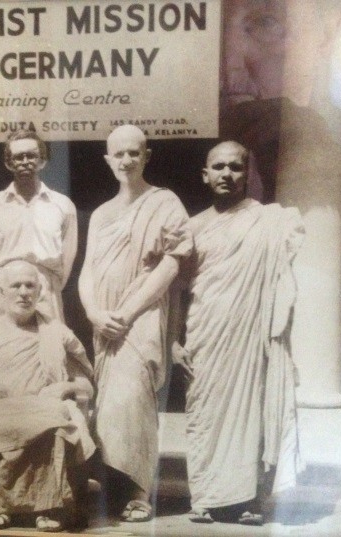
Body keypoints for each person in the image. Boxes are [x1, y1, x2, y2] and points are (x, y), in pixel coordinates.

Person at [221, 0, 341, 417]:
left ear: (330, 31)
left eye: (266, 23)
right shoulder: (117, 171)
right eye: (198, 32)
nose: (228, 66)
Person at [174, 141, 305, 525]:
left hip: (250, 337)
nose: (226, 174)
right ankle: (206, 497)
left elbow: (283, 282)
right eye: (218, 167)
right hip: (205, 336)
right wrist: (173, 341)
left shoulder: (271, 221)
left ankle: (248, 498)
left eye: (235, 167)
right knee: (204, 414)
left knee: (250, 411)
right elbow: (176, 292)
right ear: (205, 174)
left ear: (248, 174)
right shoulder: (193, 227)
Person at [78, 125, 192, 522]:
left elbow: (173, 262)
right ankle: (117, 485)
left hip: (140, 317)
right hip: (105, 322)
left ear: (147, 156)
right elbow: (86, 272)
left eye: (134, 153)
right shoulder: (102, 214)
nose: (126, 160)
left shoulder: (165, 202)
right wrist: (94, 313)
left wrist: (126, 315)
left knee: (133, 399)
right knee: (108, 407)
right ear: (108, 160)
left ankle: (141, 492)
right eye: (118, 154)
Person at [0, 260, 95, 532]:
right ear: (1, 293)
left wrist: (66, 387)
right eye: (16, 285)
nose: (24, 292)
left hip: (39, 410)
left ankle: (44, 508)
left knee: (57, 415)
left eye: (30, 285)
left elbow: (87, 382)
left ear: (40, 292)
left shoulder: (56, 330)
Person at [0, 130, 77, 320]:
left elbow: (67, 258)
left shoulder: (63, 205)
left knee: (50, 347)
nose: (25, 161)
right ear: (9, 163)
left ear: (42, 160)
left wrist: (47, 283)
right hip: (5, 290)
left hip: (47, 291)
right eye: (18, 157)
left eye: (31, 155)